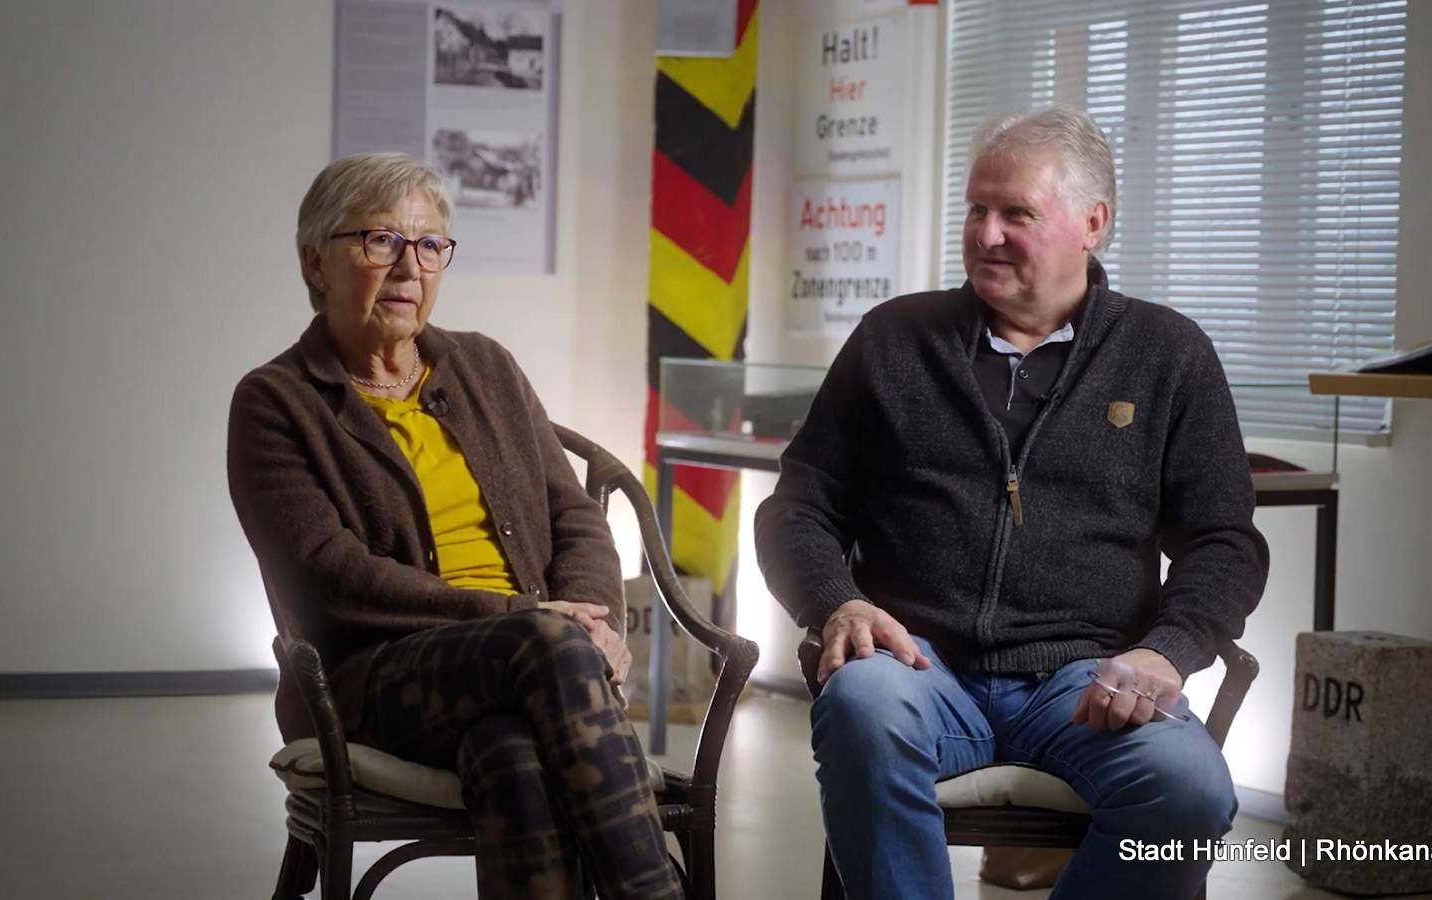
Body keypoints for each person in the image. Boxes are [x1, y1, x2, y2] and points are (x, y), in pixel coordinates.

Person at [754, 106, 1269, 900]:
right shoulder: (893, 340)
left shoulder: (1169, 355)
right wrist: (837, 604)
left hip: (1089, 681)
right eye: (976, 208)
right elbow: (799, 507)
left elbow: (1224, 542)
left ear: (1093, 222)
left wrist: (1168, 650)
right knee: (860, 703)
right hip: (913, 663)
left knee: (1189, 789)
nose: (985, 234)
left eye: (1016, 214)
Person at [227, 152, 682, 900]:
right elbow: (329, 575)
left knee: (510, 755)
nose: (410, 267)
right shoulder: (276, 402)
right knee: (544, 645)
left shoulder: (485, 367)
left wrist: (593, 620)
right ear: (315, 263)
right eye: (381, 241)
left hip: (538, 658)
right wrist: (527, 616)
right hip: (375, 677)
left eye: (430, 244)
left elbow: (574, 515)